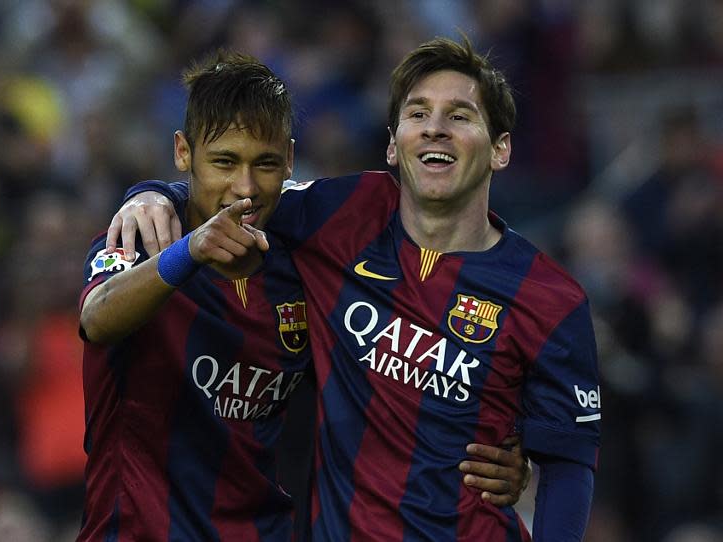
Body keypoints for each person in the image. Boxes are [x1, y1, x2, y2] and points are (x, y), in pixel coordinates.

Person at [78, 49, 530, 541]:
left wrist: (500, 451)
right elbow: (96, 319)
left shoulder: (310, 261)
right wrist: (183, 242)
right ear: (183, 153)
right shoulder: (143, 237)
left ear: (290, 160)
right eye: (224, 162)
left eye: (266, 163)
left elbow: (402, 372)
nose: (244, 187)